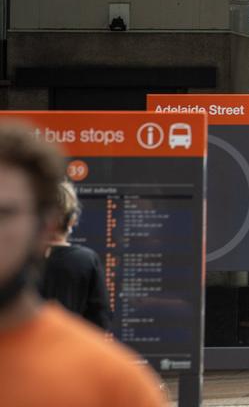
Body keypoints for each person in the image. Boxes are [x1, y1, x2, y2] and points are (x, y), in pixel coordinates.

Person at [0, 123, 167, 407]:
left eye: (4, 213)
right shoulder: (85, 260)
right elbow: (100, 314)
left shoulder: (113, 384)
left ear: (44, 226)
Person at [40, 181, 109, 330]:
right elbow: (100, 320)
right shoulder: (86, 260)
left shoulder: (15, 260)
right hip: (71, 349)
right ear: (72, 219)